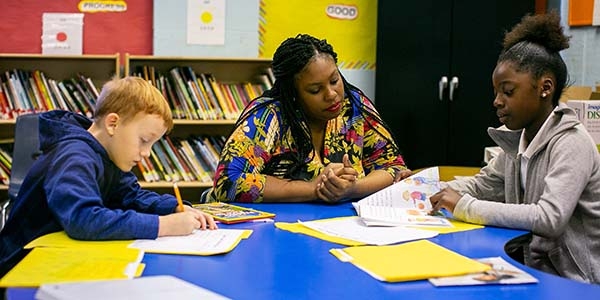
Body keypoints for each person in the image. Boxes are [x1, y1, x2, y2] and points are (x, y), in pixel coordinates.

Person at [429, 12, 600, 284]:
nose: (497, 101)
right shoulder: (516, 140)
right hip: (531, 269)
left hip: (574, 282)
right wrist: (426, 189)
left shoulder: (572, 142)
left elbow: (549, 218)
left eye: (507, 92)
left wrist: (465, 206)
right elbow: (483, 185)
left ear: (545, 88)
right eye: (496, 92)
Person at [0, 76, 217, 278]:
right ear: (112, 124)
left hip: (65, 256)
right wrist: (163, 225)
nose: (147, 153)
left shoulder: (108, 155)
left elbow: (132, 195)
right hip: (24, 266)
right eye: (144, 140)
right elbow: (82, 219)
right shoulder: (74, 156)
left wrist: (173, 208)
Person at [207, 33, 411, 203]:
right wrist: (314, 189)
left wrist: (353, 189)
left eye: (334, 80)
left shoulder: (355, 106)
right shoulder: (269, 116)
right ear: (293, 94)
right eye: (315, 90)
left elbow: (393, 166)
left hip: (339, 226)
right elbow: (229, 182)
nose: (331, 94)